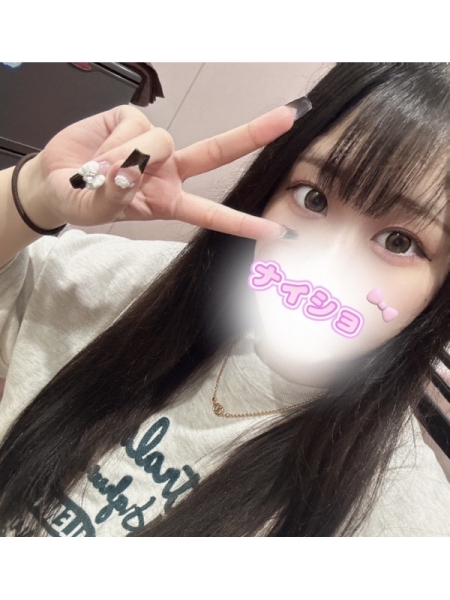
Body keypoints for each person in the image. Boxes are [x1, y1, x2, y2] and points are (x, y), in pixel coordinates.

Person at [0, 63, 449, 537]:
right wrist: (32, 194)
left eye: (399, 241)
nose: (326, 264)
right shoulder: (143, 288)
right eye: (313, 198)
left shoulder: (405, 519)